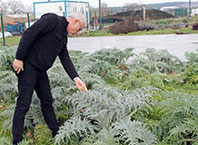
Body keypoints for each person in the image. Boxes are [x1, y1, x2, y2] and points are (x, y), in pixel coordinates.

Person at [12, 13, 88, 145]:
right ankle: (17, 141)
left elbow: (65, 58)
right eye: (79, 29)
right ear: (75, 21)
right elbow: (29, 33)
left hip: (41, 71)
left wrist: (76, 78)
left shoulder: (63, 37)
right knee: (23, 104)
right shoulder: (52, 20)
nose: (77, 33)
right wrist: (19, 58)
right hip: (28, 67)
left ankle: (57, 134)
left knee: (47, 101)